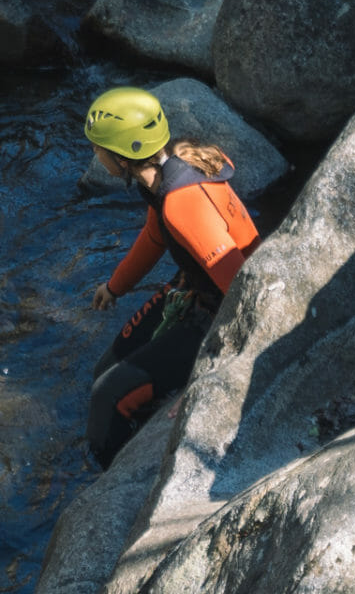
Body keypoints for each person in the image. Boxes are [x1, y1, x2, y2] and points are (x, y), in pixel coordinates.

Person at [81, 86, 259, 468]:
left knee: (107, 396)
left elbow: (243, 292)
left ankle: (104, 478)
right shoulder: (168, 172)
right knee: (105, 368)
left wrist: (206, 380)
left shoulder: (183, 202)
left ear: (124, 154)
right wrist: (114, 287)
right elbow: (153, 238)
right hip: (198, 291)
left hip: (219, 315)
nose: (95, 155)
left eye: (98, 148)